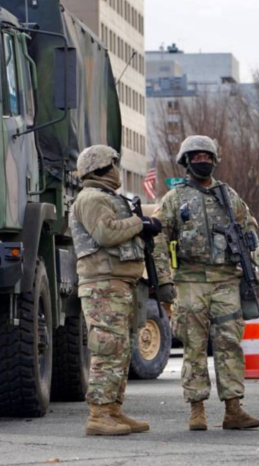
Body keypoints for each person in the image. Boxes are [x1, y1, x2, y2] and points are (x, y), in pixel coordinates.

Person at [152, 135, 259, 431]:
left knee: (229, 343)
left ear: (214, 160)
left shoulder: (228, 196)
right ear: (186, 162)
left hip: (227, 280)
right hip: (190, 282)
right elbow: (158, 239)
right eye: (196, 156)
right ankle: (197, 409)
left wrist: (258, 277)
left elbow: (249, 234)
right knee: (193, 346)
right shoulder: (175, 199)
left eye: (207, 156)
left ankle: (233, 409)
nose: (202, 161)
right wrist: (163, 280)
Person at [69, 145, 175, 436]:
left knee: (123, 349)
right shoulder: (90, 198)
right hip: (103, 285)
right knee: (107, 348)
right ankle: (99, 414)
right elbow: (105, 233)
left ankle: (113, 410)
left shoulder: (109, 198)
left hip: (120, 284)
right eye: (114, 164)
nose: (117, 169)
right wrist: (139, 222)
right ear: (102, 168)